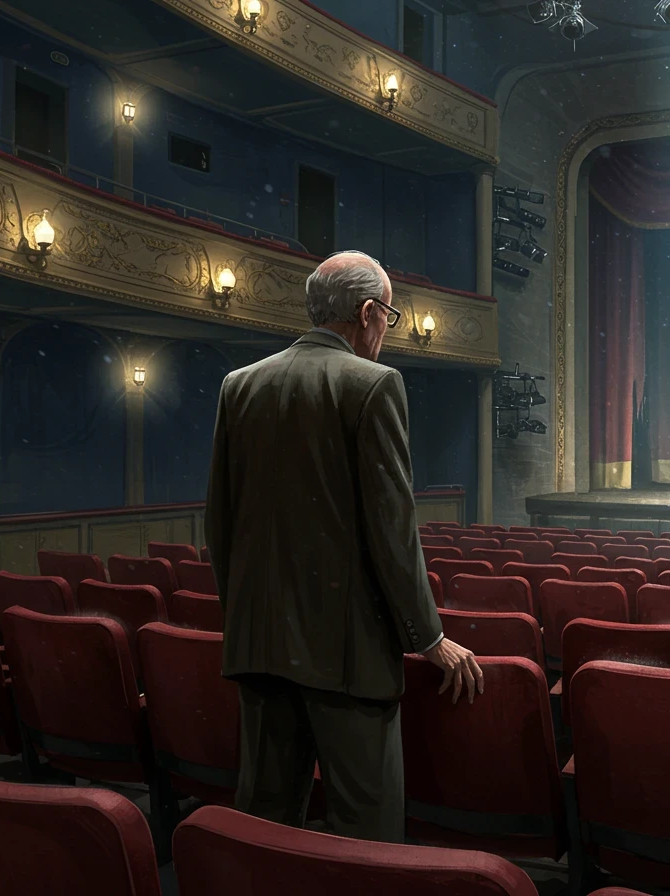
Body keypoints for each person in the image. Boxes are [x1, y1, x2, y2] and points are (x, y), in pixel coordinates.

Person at [204, 250, 483, 843]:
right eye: (389, 315)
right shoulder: (374, 384)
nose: (387, 329)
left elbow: (221, 523)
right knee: (365, 830)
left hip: (259, 646)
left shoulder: (240, 385)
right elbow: (391, 529)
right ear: (366, 312)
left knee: (264, 824)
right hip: (346, 657)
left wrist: (245, 621)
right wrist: (428, 638)